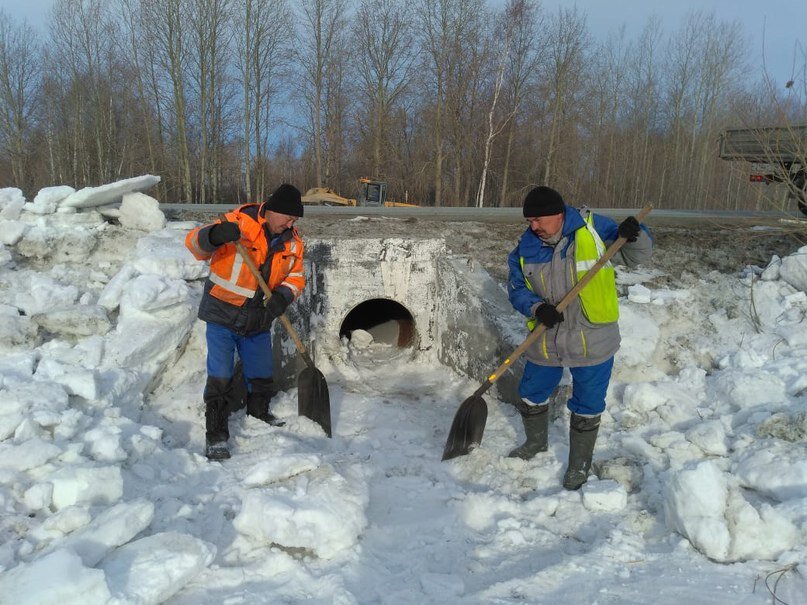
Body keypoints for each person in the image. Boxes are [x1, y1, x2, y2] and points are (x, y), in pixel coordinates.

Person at [506, 186, 652, 490]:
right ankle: (535, 443)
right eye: (529, 220)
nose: (532, 226)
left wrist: (636, 234)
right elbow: (517, 289)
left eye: (538, 219)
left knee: (588, 402)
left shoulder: (593, 227)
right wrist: (537, 307)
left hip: (592, 336)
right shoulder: (525, 247)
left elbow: (637, 256)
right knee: (532, 391)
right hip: (547, 335)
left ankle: (579, 464)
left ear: (558, 214)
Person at [185, 184, 305, 460]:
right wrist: (213, 236)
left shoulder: (293, 242)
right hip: (222, 314)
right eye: (288, 218)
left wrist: (282, 297)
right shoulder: (237, 223)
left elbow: (296, 277)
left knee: (262, 371)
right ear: (272, 210)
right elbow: (193, 244)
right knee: (221, 374)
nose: (291, 223)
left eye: (295, 220)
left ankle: (259, 413)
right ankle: (215, 433)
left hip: (259, 318)